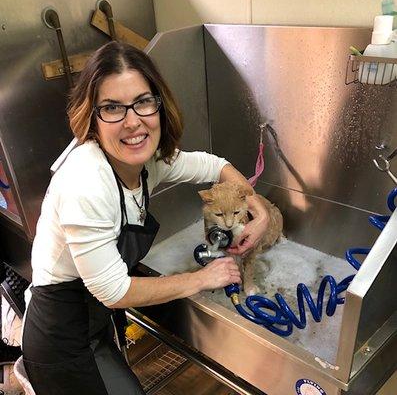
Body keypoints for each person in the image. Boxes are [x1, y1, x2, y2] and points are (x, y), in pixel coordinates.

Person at [21, 41, 269, 395]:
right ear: (92, 117)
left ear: (159, 105)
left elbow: (216, 166)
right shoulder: (86, 183)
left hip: (94, 318)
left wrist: (256, 207)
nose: (133, 121)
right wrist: (202, 278)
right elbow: (113, 290)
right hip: (60, 336)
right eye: (112, 108)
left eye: (142, 101)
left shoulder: (146, 161)